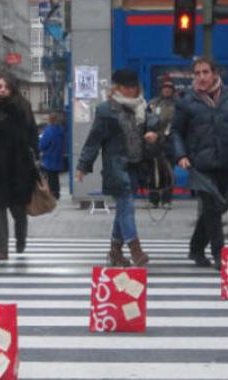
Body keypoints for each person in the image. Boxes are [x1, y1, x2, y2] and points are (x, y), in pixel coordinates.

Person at [171, 57, 228, 270]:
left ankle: (196, 247)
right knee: (212, 207)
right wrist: (181, 155)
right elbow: (175, 132)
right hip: (199, 164)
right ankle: (220, 254)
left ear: (215, 74)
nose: (201, 77)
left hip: (225, 161)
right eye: (197, 73)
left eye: (205, 72)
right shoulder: (187, 101)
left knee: (218, 207)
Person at [75, 68, 159, 267]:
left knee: (123, 209)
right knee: (127, 207)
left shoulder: (143, 107)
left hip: (137, 165)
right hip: (116, 167)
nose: (131, 90)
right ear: (117, 88)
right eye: (126, 87)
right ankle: (135, 249)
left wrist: (154, 135)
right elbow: (93, 141)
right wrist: (83, 166)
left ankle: (115, 252)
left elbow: (153, 131)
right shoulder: (106, 110)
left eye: (134, 86)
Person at [0, 72, 39, 260]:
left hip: (18, 165)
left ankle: (21, 238)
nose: (2, 90)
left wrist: (33, 155)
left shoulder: (22, 107)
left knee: (18, 208)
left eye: (5, 87)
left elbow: (32, 134)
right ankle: (1, 249)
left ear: (12, 88)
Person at [146, 78, 178, 209]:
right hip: (153, 144)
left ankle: (166, 200)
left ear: (172, 91)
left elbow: (178, 124)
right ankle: (153, 200)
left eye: (169, 88)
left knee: (167, 172)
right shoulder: (153, 103)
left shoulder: (177, 105)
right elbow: (145, 120)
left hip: (169, 143)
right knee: (152, 173)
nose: (166, 90)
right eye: (164, 88)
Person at [39, 112, 65, 199]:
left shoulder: (48, 130)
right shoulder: (61, 130)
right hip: (58, 156)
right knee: (55, 176)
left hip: (49, 156)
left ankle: (52, 193)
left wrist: (41, 149)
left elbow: (43, 144)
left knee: (50, 176)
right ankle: (56, 192)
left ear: (50, 120)